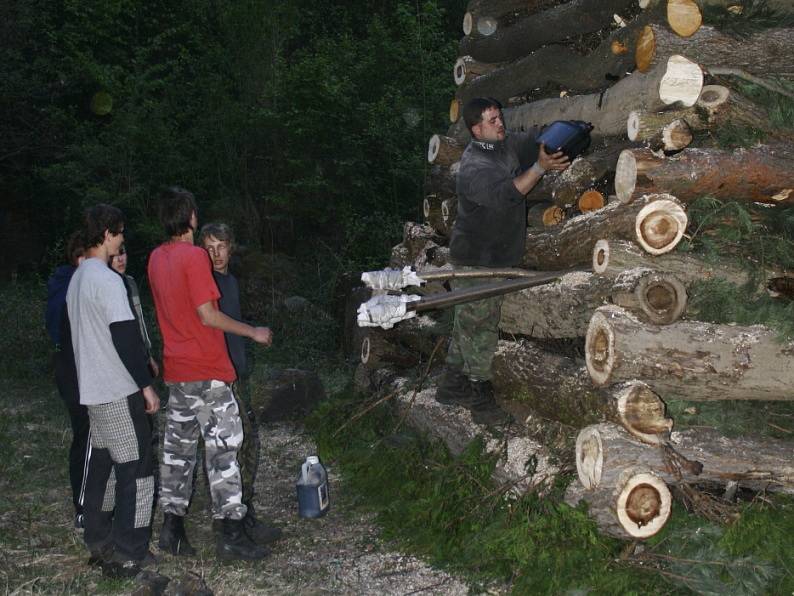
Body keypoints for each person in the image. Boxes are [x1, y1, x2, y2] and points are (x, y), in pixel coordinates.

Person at [148, 187, 273, 562]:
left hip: (178, 371)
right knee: (225, 452)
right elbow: (207, 315)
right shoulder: (192, 258)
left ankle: (172, 530)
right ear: (191, 218)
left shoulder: (155, 258)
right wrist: (253, 331)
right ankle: (231, 535)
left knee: (178, 453)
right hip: (207, 370)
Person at [436, 97, 570, 423]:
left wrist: (559, 135)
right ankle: (480, 401)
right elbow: (507, 195)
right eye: (493, 120)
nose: (501, 124)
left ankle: (451, 386)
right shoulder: (473, 168)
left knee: (467, 322)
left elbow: (529, 140)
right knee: (481, 327)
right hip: (477, 260)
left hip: (493, 254)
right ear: (476, 129)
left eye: (500, 117)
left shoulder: (501, 144)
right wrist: (540, 167)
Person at [66, 204, 160, 577]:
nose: (122, 239)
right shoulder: (107, 280)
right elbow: (125, 338)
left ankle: (98, 537)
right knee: (136, 469)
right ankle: (130, 548)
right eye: (119, 233)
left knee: (104, 465)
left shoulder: (78, 278)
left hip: (93, 389)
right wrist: (146, 386)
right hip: (117, 389)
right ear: (106, 234)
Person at [198, 222, 281, 545]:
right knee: (230, 448)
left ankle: (238, 515)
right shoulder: (204, 285)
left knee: (241, 446)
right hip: (214, 378)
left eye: (221, 246)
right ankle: (233, 521)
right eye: (208, 247)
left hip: (233, 374)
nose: (215, 254)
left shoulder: (229, 282)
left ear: (231, 247)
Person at [46, 231, 89, 529]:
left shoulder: (71, 281)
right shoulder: (69, 284)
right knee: (85, 435)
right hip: (74, 368)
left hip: (81, 365)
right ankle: (83, 506)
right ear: (79, 258)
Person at [110, 244, 159, 378]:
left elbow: (140, 321)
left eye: (122, 253)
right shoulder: (107, 286)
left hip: (141, 356)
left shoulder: (131, 283)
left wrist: (148, 356)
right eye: (114, 256)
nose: (120, 259)